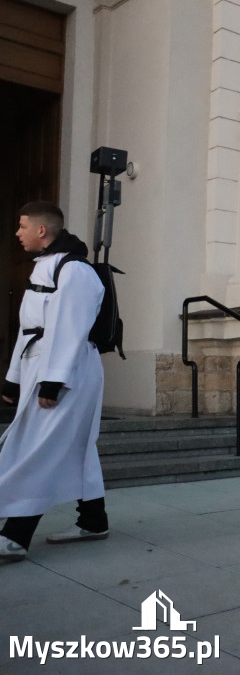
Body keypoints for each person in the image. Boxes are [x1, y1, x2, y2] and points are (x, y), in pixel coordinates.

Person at [1, 201, 108, 561]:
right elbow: (30, 330)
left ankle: (15, 536)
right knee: (77, 446)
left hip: (69, 372)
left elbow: (71, 329)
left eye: (22, 226)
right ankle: (94, 521)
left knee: (39, 446)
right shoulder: (46, 267)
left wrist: (52, 382)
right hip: (43, 367)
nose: (18, 233)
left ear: (42, 230)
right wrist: (13, 380)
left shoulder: (74, 271)